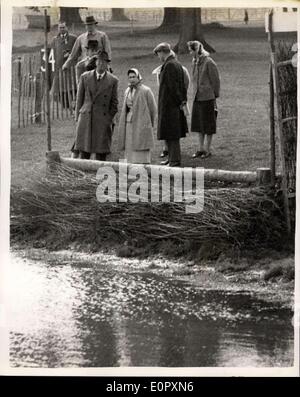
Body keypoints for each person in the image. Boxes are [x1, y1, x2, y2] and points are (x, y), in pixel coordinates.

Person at [72, 50, 118, 161]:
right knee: (84, 150)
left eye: (105, 62)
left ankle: (100, 175)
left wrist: (108, 118)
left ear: (108, 64)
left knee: (101, 152)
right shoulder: (85, 77)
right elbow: (79, 99)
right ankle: (83, 174)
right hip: (86, 117)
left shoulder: (113, 80)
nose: (102, 64)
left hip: (102, 120)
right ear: (96, 62)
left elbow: (114, 102)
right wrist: (78, 117)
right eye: (100, 61)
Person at [153, 42, 188, 167]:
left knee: (172, 134)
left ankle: (174, 160)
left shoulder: (169, 66)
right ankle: (171, 158)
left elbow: (173, 87)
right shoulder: (175, 63)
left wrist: (179, 101)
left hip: (170, 106)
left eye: (158, 54)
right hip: (171, 105)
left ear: (162, 52)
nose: (159, 57)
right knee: (169, 133)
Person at [188, 40, 220, 159]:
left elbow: (215, 80)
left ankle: (208, 149)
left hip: (207, 97)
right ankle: (200, 148)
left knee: (208, 124)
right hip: (197, 97)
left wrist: (214, 96)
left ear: (196, 50)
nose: (190, 52)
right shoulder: (194, 62)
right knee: (198, 124)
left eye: (191, 50)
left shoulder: (209, 62)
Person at [118, 68, 157, 164]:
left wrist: (149, 122)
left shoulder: (146, 90)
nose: (132, 79)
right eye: (130, 77)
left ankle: (142, 163)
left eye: (134, 77)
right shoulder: (127, 90)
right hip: (128, 121)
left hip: (142, 121)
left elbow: (153, 108)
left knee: (141, 141)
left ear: (138, 77)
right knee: (129, 143)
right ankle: (130, 162)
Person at [50, 22, 77, 108]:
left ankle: (74, 102)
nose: (62, 29)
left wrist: (70, 55)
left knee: (72, 84)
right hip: (59, 67)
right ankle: (64, 104)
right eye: (60, 28)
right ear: (58, 29)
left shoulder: (73, 38)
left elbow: (77, 50)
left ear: (67, 28)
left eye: (63, 27)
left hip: (70, 66)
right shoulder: (55, 39)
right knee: (60, 85)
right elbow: (52, 52)